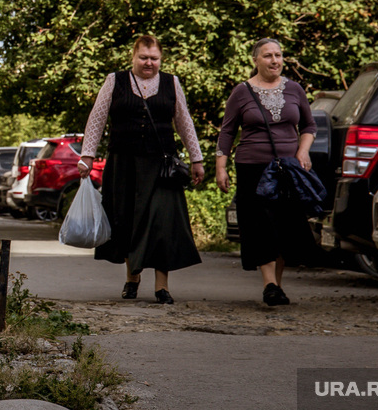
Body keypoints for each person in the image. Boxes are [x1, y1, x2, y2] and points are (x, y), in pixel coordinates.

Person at [78, 35, 205, 304]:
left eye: (154, 58)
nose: (149, 63)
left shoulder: (172, 82)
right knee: (126, 220)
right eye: (144, 57)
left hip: (162, 166)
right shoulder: (115, 80)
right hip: (123, 163)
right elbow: (96, 119)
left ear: (161, 59)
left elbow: (184, 122)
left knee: (162, 223)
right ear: (133, 57)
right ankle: (132, 276)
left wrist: (197, 159)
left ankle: (162, 286)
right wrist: (87, 156)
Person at [215, 38, 319, 306]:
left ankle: (277, 286)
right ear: (256, 60)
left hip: (288, 168)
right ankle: (269, 283)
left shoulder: (295, 89)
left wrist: (303, 151)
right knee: (260, 224)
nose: (275, 60)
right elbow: (227, 131)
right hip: (252, 167)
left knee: (284, 224)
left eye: (278, 55)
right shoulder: (241, 92)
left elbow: (309, 126)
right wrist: (221, 167)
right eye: (268, 56)